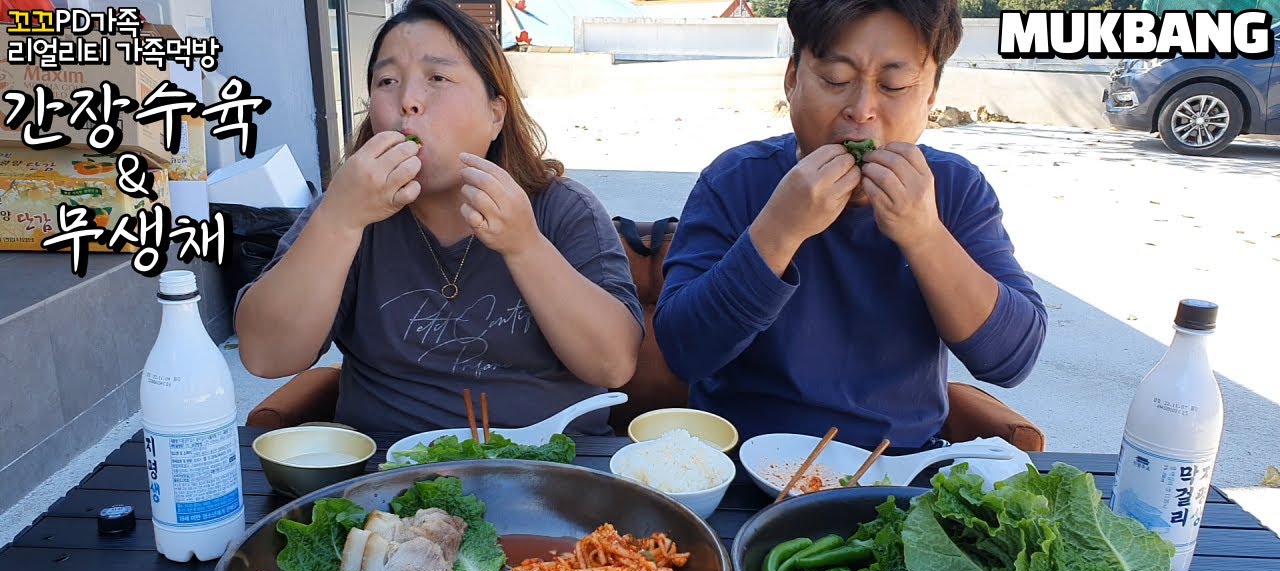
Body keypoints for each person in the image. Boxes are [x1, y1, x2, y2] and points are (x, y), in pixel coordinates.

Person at [234, 0, 643, 437]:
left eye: (437, 78)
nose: (407, 101)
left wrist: (524, 246)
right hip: (387, 483)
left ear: (495, 114)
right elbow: (266, 356)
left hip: (552, 475)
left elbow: (613, 363)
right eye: (387, 81)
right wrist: (338, 222)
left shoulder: (562, 210)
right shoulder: (347, 211)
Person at [653, 0, 1047, 452]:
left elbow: (1011, 358)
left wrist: (923, 234)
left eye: (894, 85)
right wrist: (780, 229)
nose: (862, 110)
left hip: (897, 471)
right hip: (741, 465)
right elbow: (683, 351)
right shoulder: (736, 179)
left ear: (931, 97)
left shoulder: (955, 189)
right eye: (836, 80)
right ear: (792, 79)